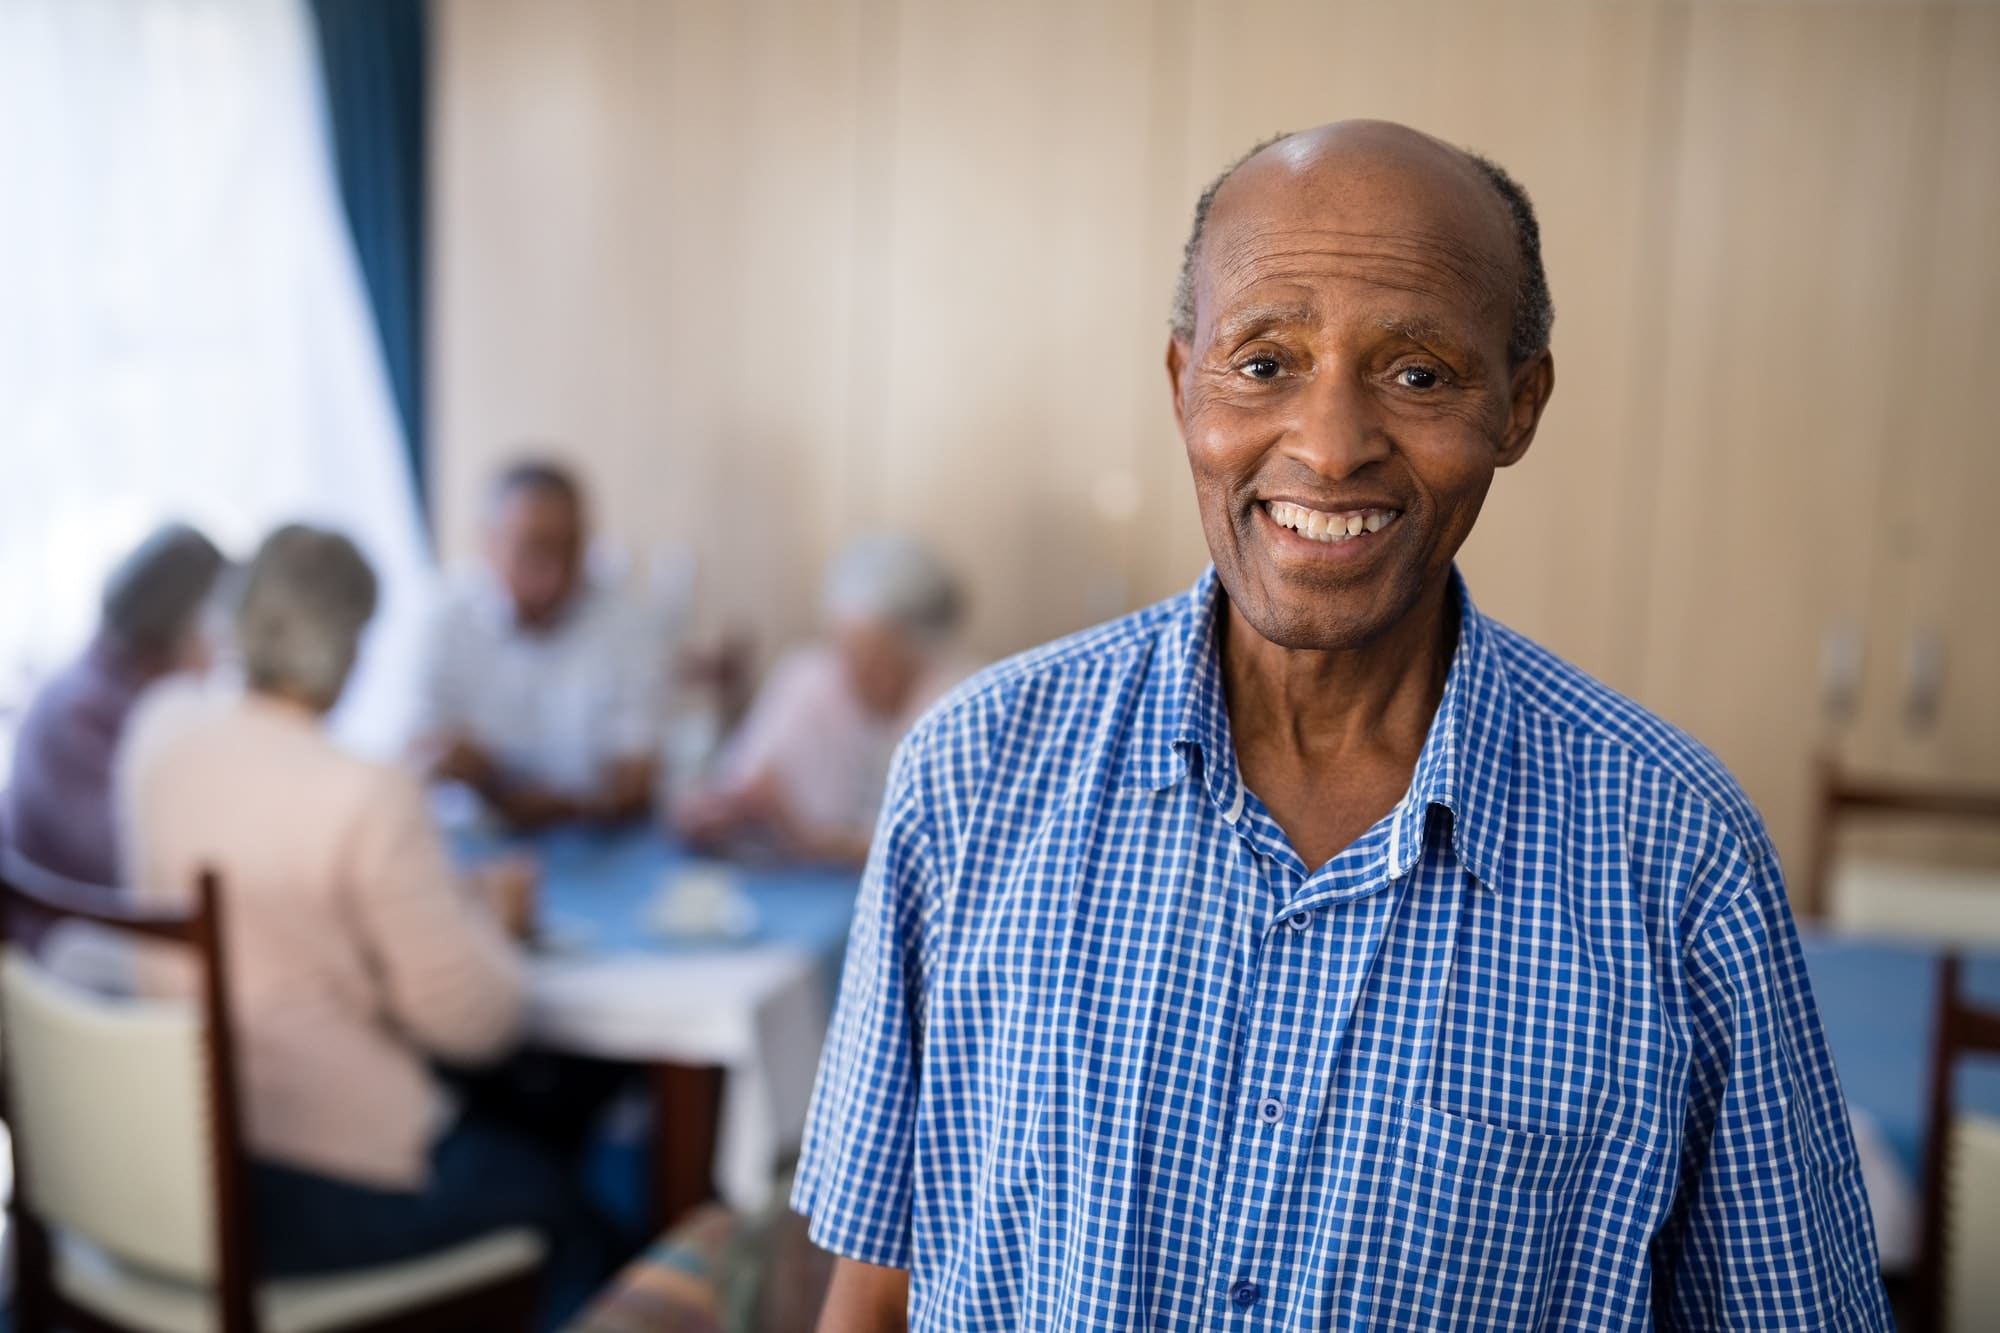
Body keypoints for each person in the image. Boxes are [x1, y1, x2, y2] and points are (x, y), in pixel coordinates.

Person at [796, 122, 1890, 1331]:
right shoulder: (973, 771)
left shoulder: (1671, 855)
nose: (1327, 447)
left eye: (1418, 374)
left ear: (1517, 408)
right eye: (1263, 362)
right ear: (1182, 386)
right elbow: (876, 1286)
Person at [119, 524, 618, 1327]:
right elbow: (478, 1023)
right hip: (313, 1179)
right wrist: (489, 921)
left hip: (171, 1160)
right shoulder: (365, 793)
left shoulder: (160, 735)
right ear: (352, 647)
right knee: (579, 1215)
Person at [678, 534, 968, 867]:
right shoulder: (807, 678)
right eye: (844, 648)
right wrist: (713, 811)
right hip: (792, 888)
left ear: (919, 653)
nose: (852, 668)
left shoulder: (961, 703)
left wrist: (807, 838)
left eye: (873, 656)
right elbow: (738, 782)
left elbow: (936, 849)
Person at [415, 460, 663, 830]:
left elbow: (637, 781)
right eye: (534, 550)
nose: (555, 571)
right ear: (488, 542)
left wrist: (550, 806)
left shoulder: (627, 625)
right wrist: (480, 778)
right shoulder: (440, 618)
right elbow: (415, 758)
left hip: (598, 841)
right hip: (469, 838)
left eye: (570, 549)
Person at [2, 523, 227, 886]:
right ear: (177, 626)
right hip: (74, 931)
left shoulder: (141, 697)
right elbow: (131, 863)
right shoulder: (81, 714)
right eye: (213, 622)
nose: (222, 643)